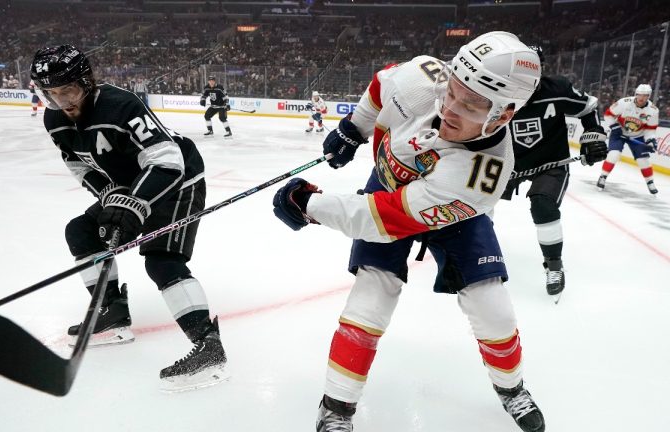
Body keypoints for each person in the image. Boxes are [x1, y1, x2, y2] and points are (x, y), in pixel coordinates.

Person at [272, 32, 545, 432]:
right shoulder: (421, 78)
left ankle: (511, 388)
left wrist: (310, 206)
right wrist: (355, 126)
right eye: (452, 90)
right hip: (390, 185)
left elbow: (382, 219)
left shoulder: (482, 174)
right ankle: (336, 407)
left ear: (503, 114)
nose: (449, 108)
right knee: (370, 296)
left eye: (470, 105)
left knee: (492, 307)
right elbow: (383, 83)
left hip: (448, 211)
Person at [31, 45, 228, 390]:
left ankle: (208, 347)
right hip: (128, 185)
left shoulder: (120, 105)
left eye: (69, 91)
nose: (63, 102)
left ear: (87, 82)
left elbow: (168, 160)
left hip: (177, 181)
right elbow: (78, 165)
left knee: (162, 259)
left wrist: (133, 204)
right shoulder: (54, 119)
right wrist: (111, 197)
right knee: (80, 232)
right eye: (52, 94)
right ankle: (111, 314)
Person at [501, 46, 608, 298]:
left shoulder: (557, 90)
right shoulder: (494, 93)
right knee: (478, 206)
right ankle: (477, 254)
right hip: (506, 163)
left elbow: (588, 107)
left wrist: (592, 137)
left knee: (543, 205)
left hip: (550, 161)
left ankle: (554, 265)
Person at [597, 84, 660, 195]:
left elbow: (650, 129)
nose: (641, 98)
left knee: (643, 160)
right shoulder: (624, 102)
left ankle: (650, 182)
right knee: (614, 154)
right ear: (635, 94)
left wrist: (651, 140)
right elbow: (608, 114)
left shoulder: (653, 110)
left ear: (649, 96)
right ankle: (603, 177)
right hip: (619, 133)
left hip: (638, 135)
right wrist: (614, 126)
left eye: (645, 96)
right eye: (639, 95)